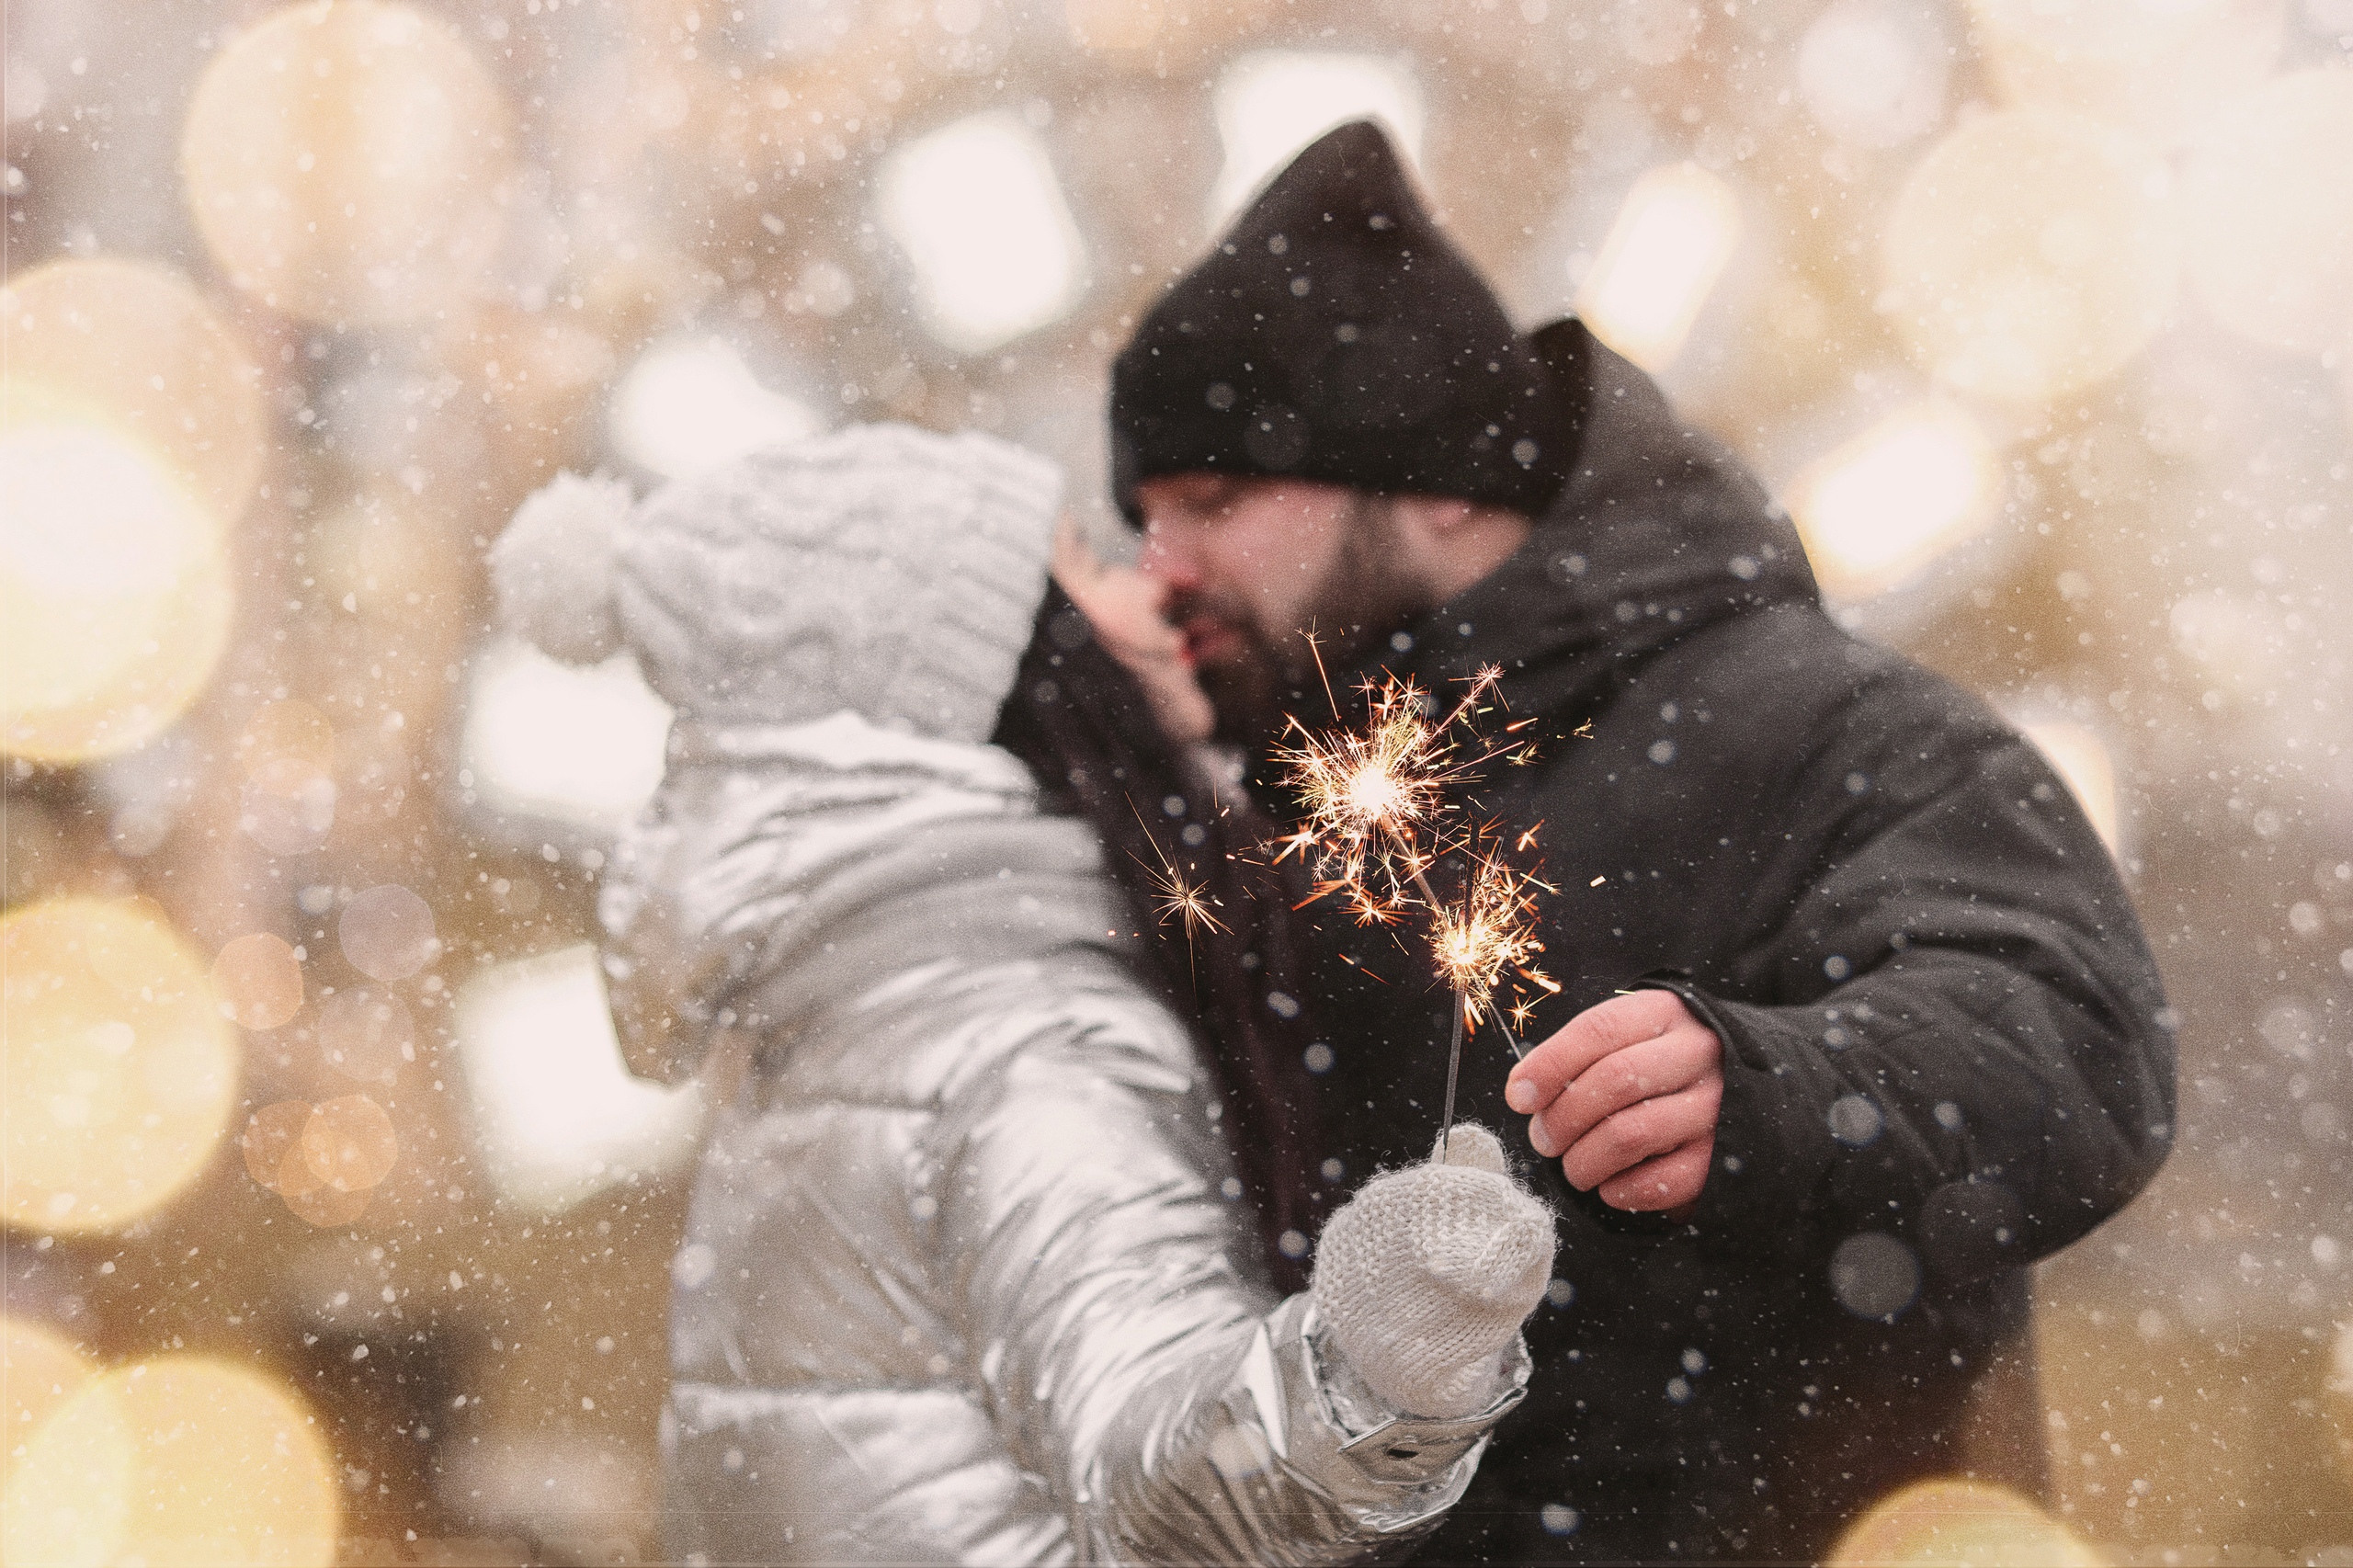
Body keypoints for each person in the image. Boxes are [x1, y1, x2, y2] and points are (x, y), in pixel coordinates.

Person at [1086, 121, 2176, 1562]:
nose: (1161, 568)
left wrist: (1778, 1088)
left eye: (1213, 502)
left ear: (1443, 484)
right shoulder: (1287, 810)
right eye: (1142, 518)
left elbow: (2076, 1031)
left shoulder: (1822, 728)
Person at [487, 423, 1564, 1565]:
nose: (1150, 593)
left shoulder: (850, 1023)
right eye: (1087, 566)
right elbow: (1162, 1466)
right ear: (987, 678)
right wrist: (1368, 1381)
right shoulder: (1022, 1044)